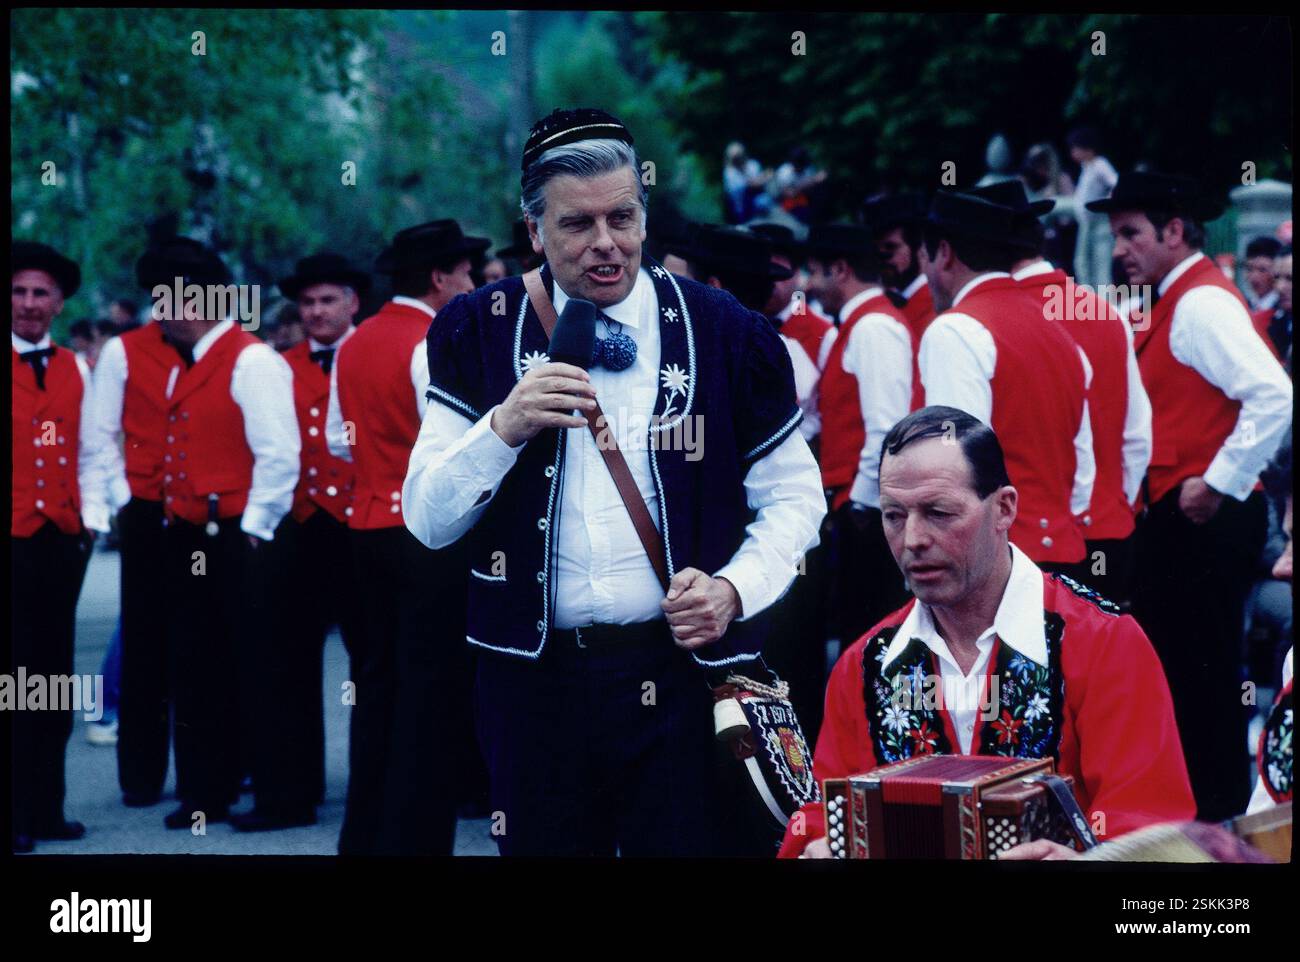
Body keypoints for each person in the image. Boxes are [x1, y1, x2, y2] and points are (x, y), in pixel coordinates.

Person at [403, 107, 826, 856]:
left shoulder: (728, 331)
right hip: (531, 686)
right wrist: (502, 428)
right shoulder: (475, 328)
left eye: (623, 217)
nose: (606, 243)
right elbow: (428, 520)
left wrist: (733, 589)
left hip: (680, 676)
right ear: (534, 230)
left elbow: (797, 499)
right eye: (577, 225)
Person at [779, 407, 1196, 858]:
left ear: (1004, 508)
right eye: (894, 516)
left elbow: (1151, 825)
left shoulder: (1104, 643)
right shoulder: (864, 664)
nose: (913, 539)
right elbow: (824, 809)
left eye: (938, 512)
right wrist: (817, 847)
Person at [1088, 170, 1293, 820]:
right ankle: (1202, 811)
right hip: (1187, 514)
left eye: (1132, 234)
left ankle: (1216, 815)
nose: (1121, 249)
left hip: (1204, 516)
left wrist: (1220, 481)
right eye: (1117, 235)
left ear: (1174, 232)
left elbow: (1275, 394)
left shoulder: (1200, 303)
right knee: (1187, 670)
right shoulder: (1176, 298)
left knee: (1202, 674)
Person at [326, 218, 488, 855]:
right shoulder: (431, 341)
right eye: (467, 272)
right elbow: (449, 447)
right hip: (423, 536)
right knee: (431, 691)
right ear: (440, 277)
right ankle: (415, 841)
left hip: (365, 526)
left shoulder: (353, 341)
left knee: (377, 684)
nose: (472, 283)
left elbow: (343, 442)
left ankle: (364, 835)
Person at [136, 237, 300, 831]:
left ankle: (280, 796)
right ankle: (207, 790)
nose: (159, 314)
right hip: (190, 532)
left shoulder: (251, 359)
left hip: (237, 532)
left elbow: (280, 454)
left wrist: (253, 530)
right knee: (197, 666)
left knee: (259, 665)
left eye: (167, 300)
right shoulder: (194, 365)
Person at [226, 253, 372, 832]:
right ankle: (288, 791)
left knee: (372, 662)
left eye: (327, 300)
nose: (316, 312)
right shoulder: (279, 365)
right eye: (307, 303)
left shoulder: (378, 353)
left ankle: (375, 786)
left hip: (362, 524)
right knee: (283, 659)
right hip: (299, 523)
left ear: (353, 302)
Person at [971, 179, 1152, 605]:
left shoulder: (993, 319)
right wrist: (1112, 504)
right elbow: (1138, 435)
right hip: (1108, 531)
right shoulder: (1104, 312)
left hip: (1029, 542)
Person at [917, 190, 1096, 575]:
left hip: (997, 562)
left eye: (925, 258)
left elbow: (955, 463)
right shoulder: (1060, 333)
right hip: (1063, 552)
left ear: (944, 253)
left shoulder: (956, 329)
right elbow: (1083, 465)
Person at [11, 241, 110, 853]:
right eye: (18, 292)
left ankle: (46, 807)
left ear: (58, 302)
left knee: (50, 678)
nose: (28, 304)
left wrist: (92, 520)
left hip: (60, 540)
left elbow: (95, 451)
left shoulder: (76, 367)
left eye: (40, 293)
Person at [89, 263, 189, 808]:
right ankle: (141, 776)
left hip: (204, 512)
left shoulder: (222, 348)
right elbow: (101, 432)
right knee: (145, 642)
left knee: (204, 643)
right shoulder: (122, 352)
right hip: (147, 509)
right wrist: (122, 498)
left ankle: (210, 773)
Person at [805, 223, 914, 644]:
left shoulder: (873, 327)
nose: (809, 286)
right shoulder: (861, 325)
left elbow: (887, 425)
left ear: (840, 269)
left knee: (867, 631)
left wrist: (862, 505)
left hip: (866, 509)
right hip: (858, 504)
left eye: (814, 273)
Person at [749, 222, 836, 447]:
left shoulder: (823, 333)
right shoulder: (741, 324)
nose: (770, 283)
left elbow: (830, 409)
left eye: (778, 274)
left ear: (797, 275)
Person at [862, 192, 934, 411]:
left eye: (890, 249)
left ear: (920, 250)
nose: (882, 260)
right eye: (876, 252)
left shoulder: (935, 310)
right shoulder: (882, 307)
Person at [1067, 126, 1120, 288]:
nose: (1073, 153)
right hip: (1086, 223)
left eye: (1075, 148)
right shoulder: (1086, 168)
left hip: (1100, 224)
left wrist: (1104, 202)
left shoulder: (1100, 165)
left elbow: (1116, 184)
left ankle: (1105, 304)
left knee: (1101, 265)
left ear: (1087, 148)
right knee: (1081, 262)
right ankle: (1088, 300)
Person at [1243, 235, 1282, 313]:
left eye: (1262, 270)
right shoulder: (1242, 307)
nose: (1254, 276)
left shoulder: (1283, 310)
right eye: (1249, 269)